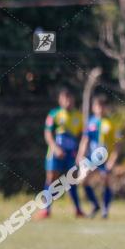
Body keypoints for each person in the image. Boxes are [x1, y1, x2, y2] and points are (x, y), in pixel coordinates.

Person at [36, 87, 84, 219]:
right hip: (55, 153)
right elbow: (47, 133)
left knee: (72, 180)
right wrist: (55, 148)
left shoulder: (79, 116)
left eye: (70, 98)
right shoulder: (54, 114)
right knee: (51, 179)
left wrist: (79, 152)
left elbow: (83, 136)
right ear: (60, 100)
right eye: (65, 99)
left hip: (71, 154)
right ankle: (46, 210)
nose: (68, 101)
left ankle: (78, 210)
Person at [77, 95, 121, 218]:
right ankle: (96, 205)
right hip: (92, 159)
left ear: (106, 108)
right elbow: (85, 140)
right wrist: (80, 155)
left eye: (102, 106)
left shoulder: (111, 123)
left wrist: (112, 160)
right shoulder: (91, 122)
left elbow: (117, 145)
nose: (100, 109)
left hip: (106, 159)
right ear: (93, 108)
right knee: (84, 181)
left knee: (106, 181)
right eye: (98, 106)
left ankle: (105, 210)